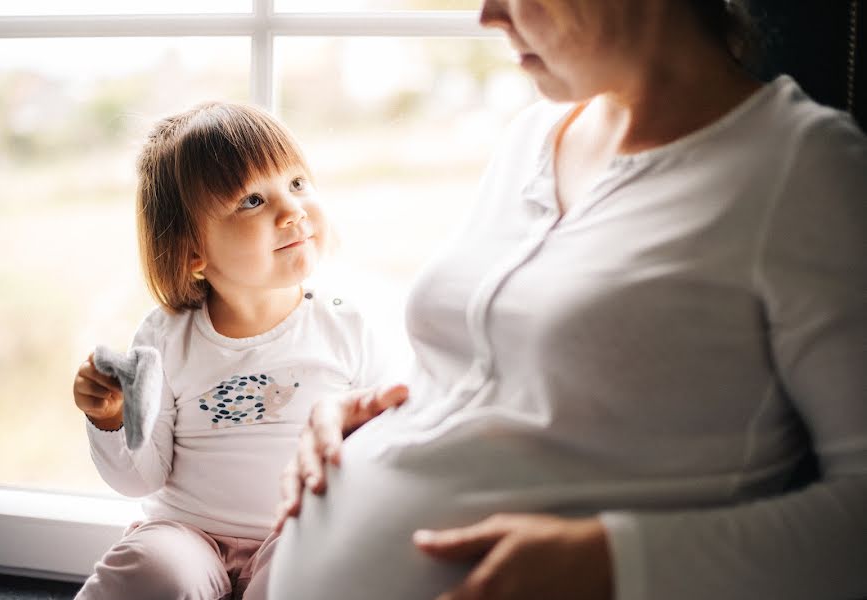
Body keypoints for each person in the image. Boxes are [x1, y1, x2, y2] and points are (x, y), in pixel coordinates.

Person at [268, 1, 867, 599]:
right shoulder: (533, 134)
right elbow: (510, 379)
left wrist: (617, 560)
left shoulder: (805, 167)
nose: (490, 16)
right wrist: (367, 411)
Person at [70, 102, 405, 600]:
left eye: (296, 184)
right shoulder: (164, 338)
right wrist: (112, 419)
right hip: (187, 534)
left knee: (308, 570)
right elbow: (140, 480)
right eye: (251, 200)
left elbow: (385, 447)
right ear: (192, 251)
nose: (292, 210)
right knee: (152, 569)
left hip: (299, 529)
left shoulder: (349, 325)